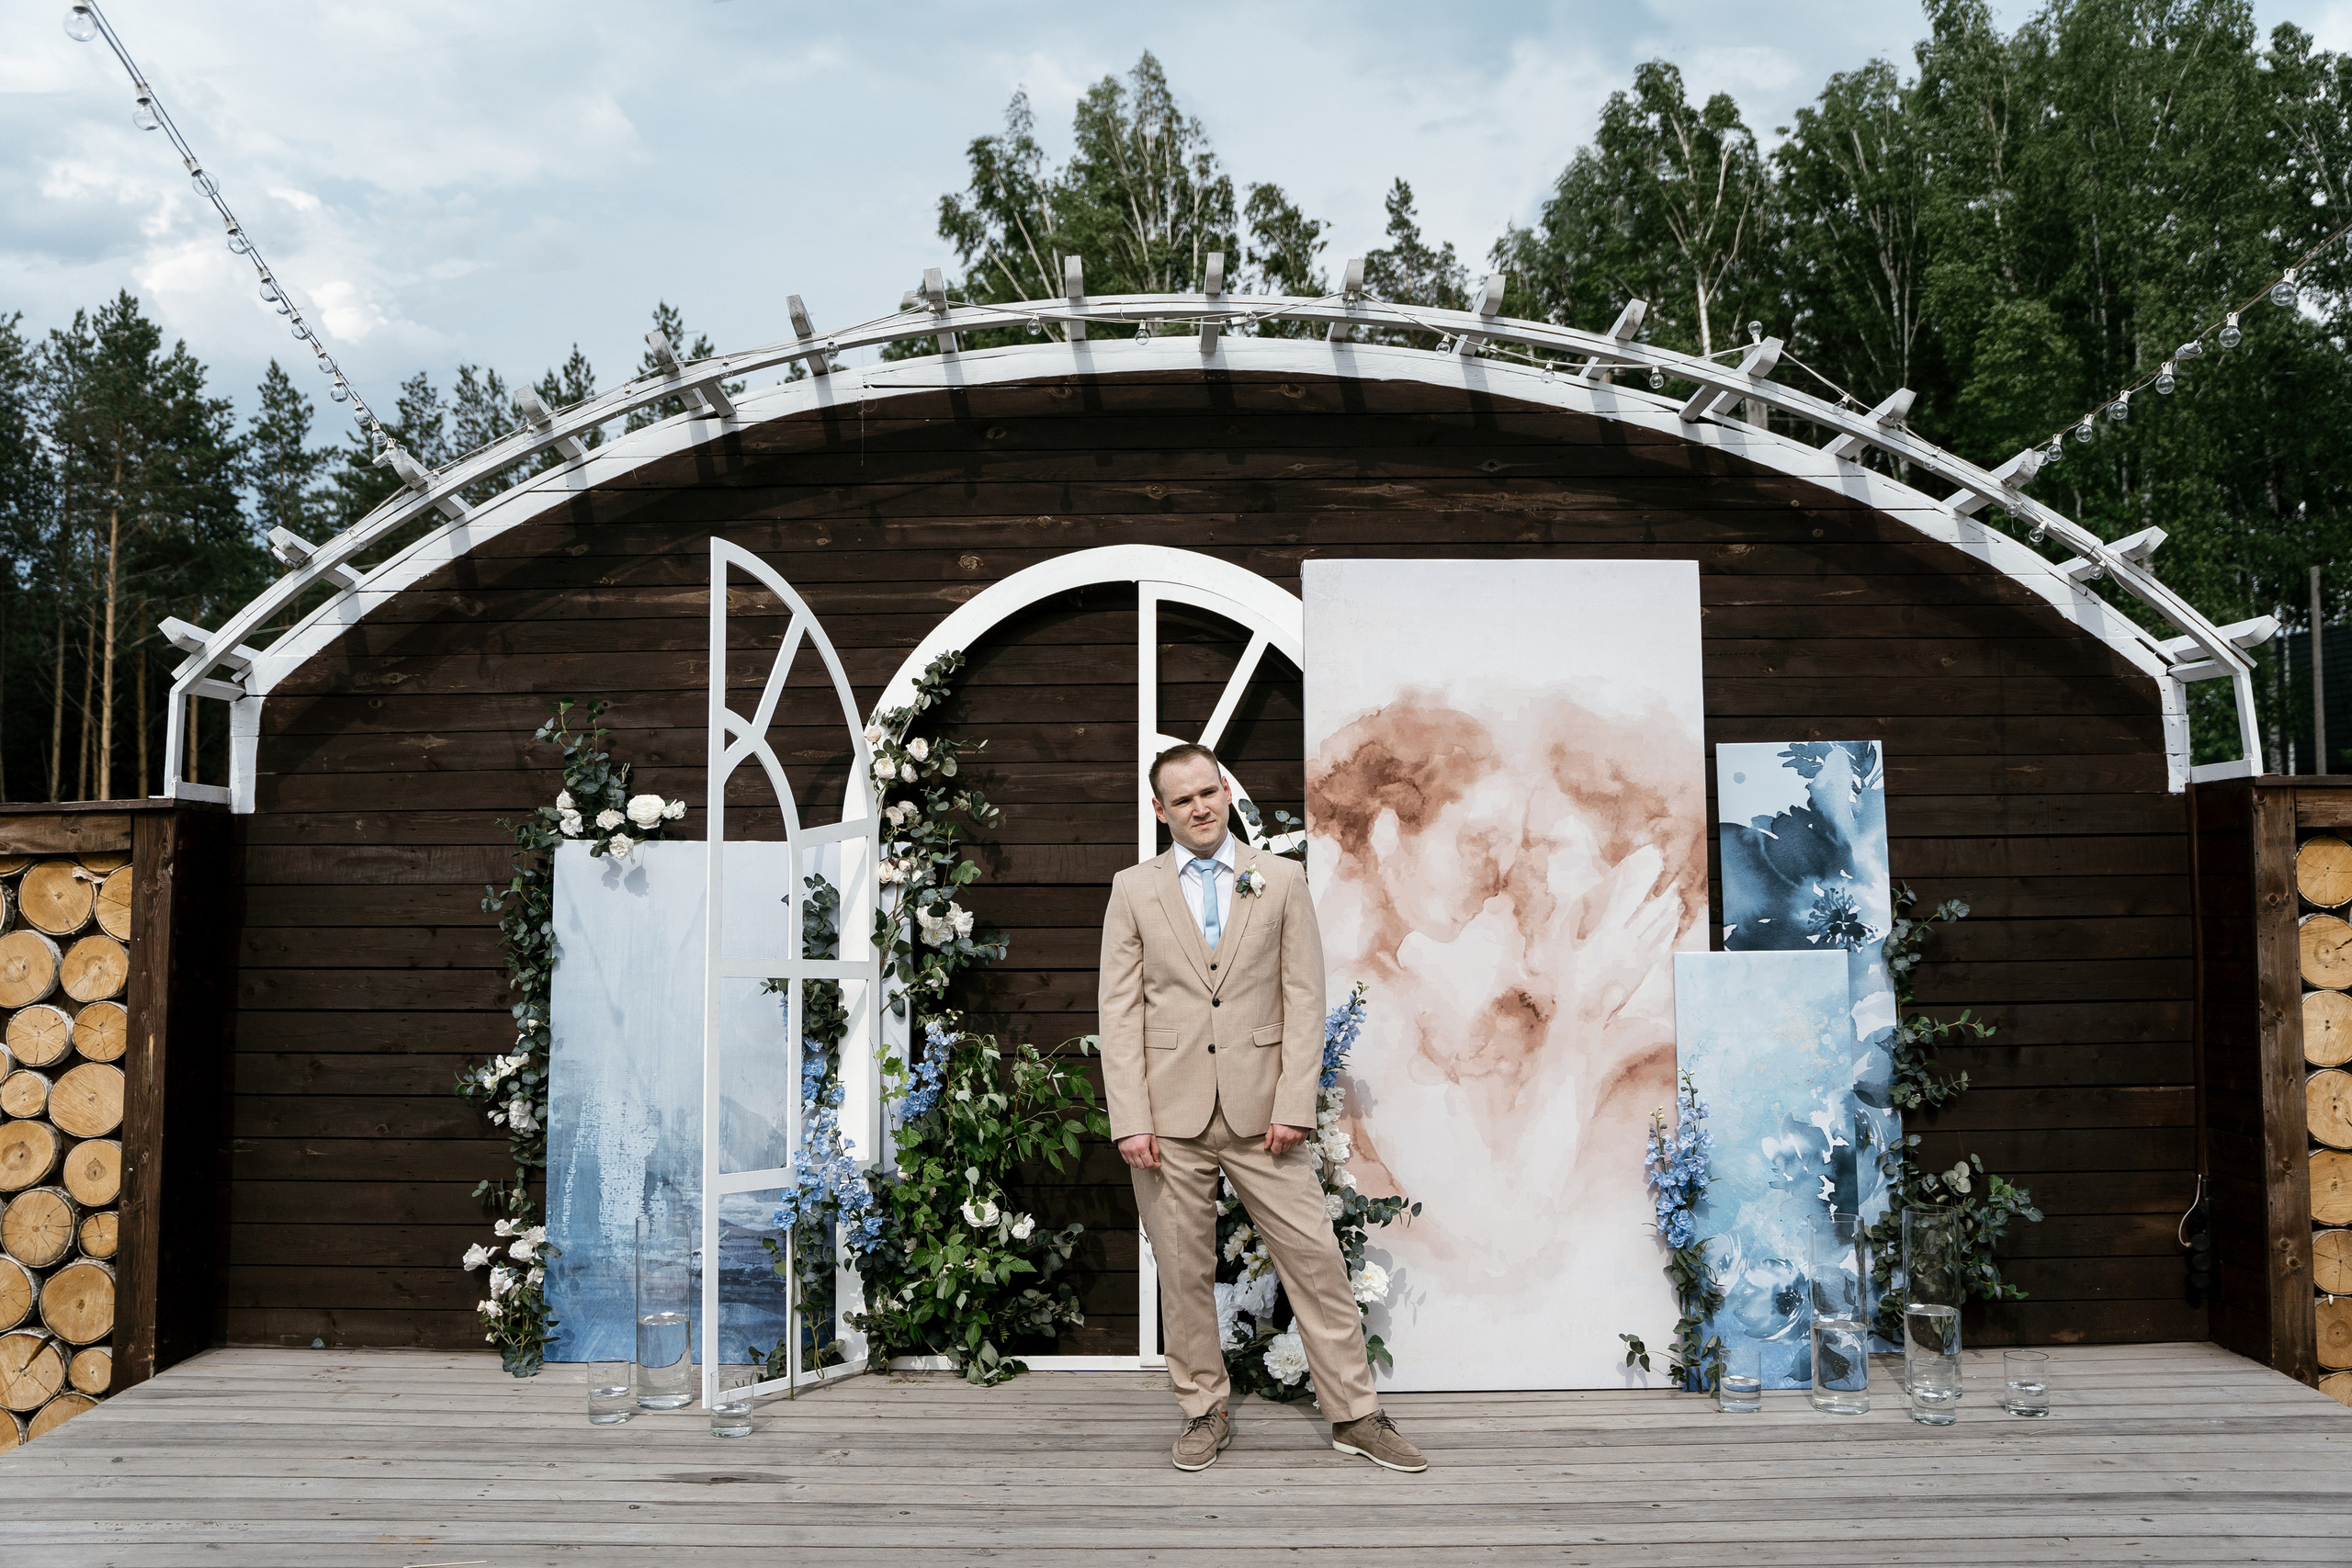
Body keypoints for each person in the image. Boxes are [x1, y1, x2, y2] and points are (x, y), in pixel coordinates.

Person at [1097, 741, 1427, 1474]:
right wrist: (1131, 1117)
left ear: (1226, 791)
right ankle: (1203, 1408)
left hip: (1264, 1119)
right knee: (1183, 1274)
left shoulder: (1279, 879)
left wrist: (1294, 1103)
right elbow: (1118, 1011)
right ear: (1161, 811)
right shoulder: (1133, 888)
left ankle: (1356, 1414)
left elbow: (1305, 997)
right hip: (1167, 1118)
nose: (1200, 807)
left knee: (1315, 1262)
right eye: (1182, 800)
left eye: (1208, 791)